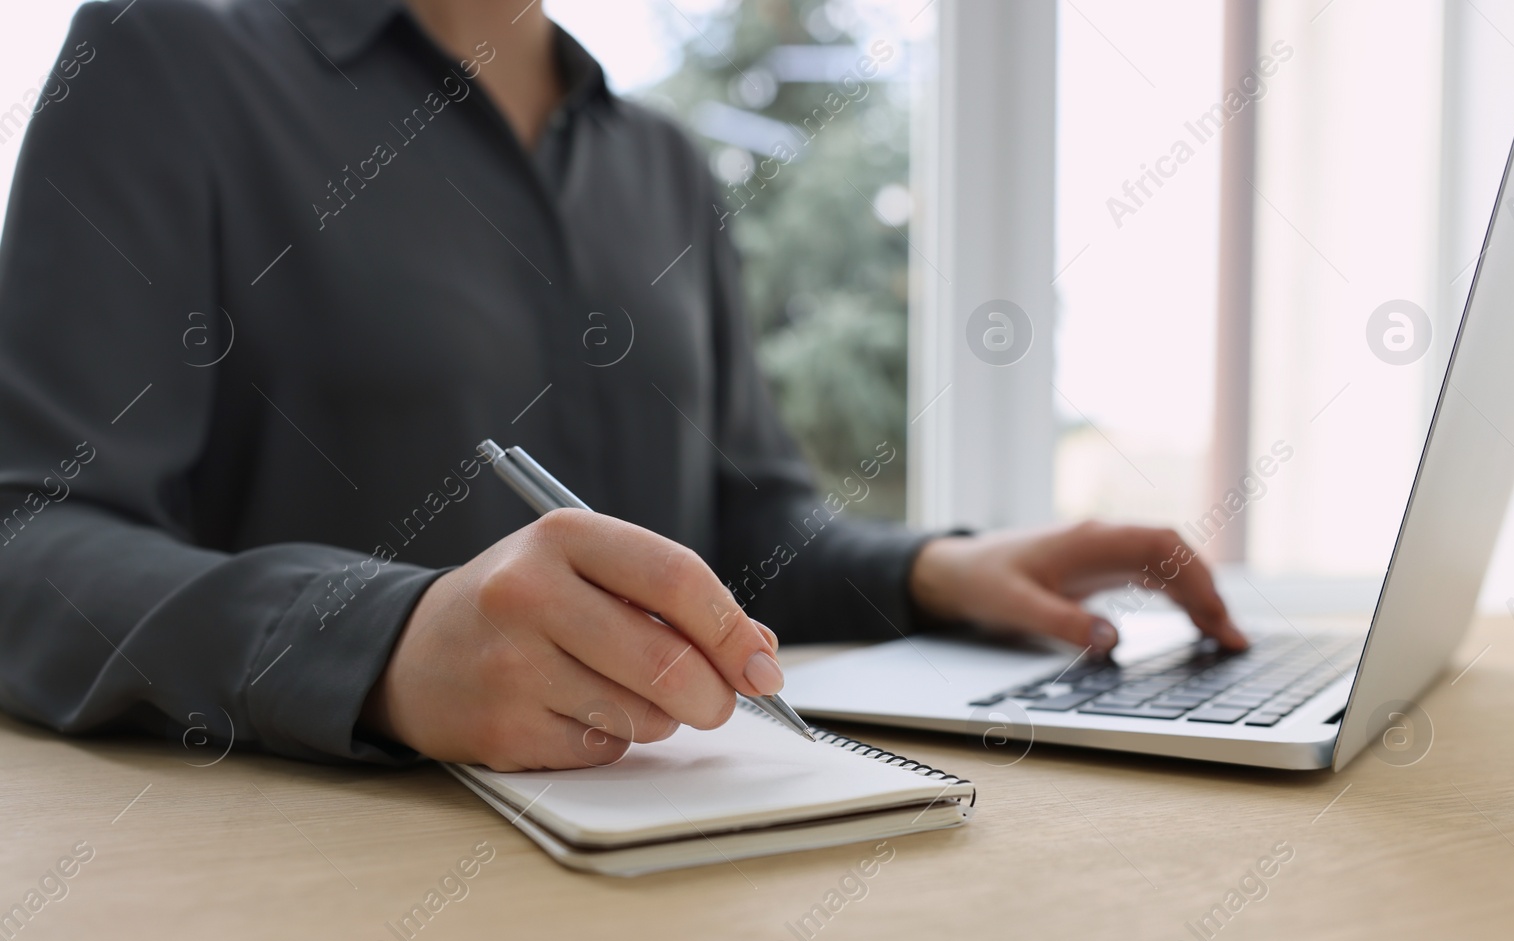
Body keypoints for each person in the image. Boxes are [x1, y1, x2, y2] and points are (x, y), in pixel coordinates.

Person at [0, 0, 1246, 773]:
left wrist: (936, 569)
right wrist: (380, 644)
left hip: (680, 845)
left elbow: (741, 528)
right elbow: (30, 537)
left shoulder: (660, 162)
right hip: (313, 897)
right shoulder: (160, 57)